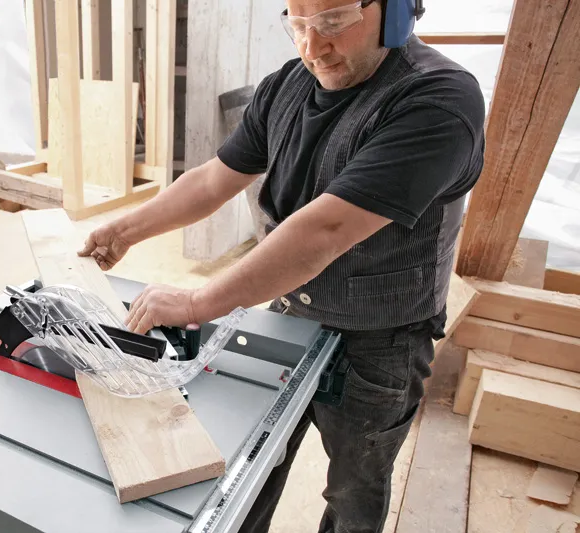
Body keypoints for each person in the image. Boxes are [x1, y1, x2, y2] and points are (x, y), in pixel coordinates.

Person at [78, 0, 486, 531]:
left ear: (396, 12)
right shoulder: (286, 86)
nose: (313, 48)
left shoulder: (439, 100)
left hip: (383, 337)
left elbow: (326, 230)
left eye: (334, 23)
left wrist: (198, 302)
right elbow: (211, 181)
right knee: (250, 468)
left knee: (354, 490)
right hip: (291, 313)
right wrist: (124, 230)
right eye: (299, 24)